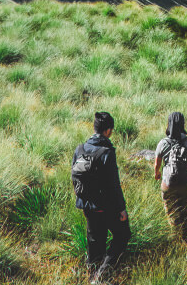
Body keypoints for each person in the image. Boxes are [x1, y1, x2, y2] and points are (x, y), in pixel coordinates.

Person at [72, 111, 131, 284]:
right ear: (108, 130)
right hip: (106, 206)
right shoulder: (107, 152)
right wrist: (121, 209)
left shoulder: (80, 149)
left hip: (86, 205)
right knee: (123, 235)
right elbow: (114, 184)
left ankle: (90, 275)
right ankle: (102, 275)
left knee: (95, 242)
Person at [154, 112, 187, 241]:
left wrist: (157, 174)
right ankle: (185, 239)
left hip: (168, 184)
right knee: (184, 212)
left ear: (169, 124)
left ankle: (174, 237)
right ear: (183, 124)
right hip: (186, 184)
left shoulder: (163, 143)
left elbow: (157, 164)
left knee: (171, 213)